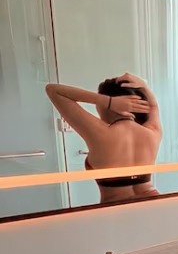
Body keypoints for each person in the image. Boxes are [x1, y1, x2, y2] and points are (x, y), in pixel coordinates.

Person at [45, 73, 162, 204]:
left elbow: (53, 90)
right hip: (154, 205)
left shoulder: (98, 132)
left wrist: (108, 101)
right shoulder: (152, 132)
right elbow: (153, 106)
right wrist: (144, 86)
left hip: (116, 210)